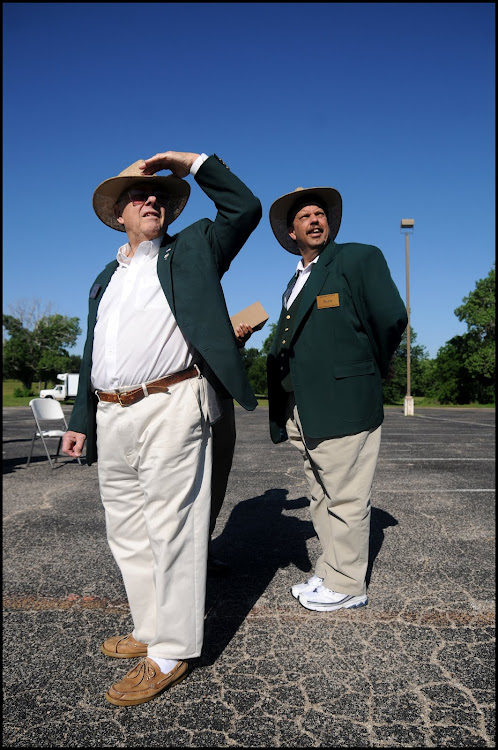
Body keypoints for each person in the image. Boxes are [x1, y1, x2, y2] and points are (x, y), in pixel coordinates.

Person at [62, 150, 261, 706]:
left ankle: (172, 651)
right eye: (138, 195)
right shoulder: (106, 277)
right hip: (111, 411)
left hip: (172, 403)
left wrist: (189, 162)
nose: (151, 200)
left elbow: (244, 208)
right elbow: (93, 351)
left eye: (158, 197)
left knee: (173, 528)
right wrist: (81, 419)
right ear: (117, 214)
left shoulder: (193, 248)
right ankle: (150, 628)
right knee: (127, 530)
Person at [267, 186, 407, 613]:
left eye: (319, 214)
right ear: (292, 233)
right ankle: (330, 570)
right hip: (303, 405)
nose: (315, 220)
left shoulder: (356, 258)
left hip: (344, 400)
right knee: (320, 493)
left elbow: (391, 318)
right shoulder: (297, 279)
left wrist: (367, 367)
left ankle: (348, 584)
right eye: (304, 216)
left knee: (345, 497)